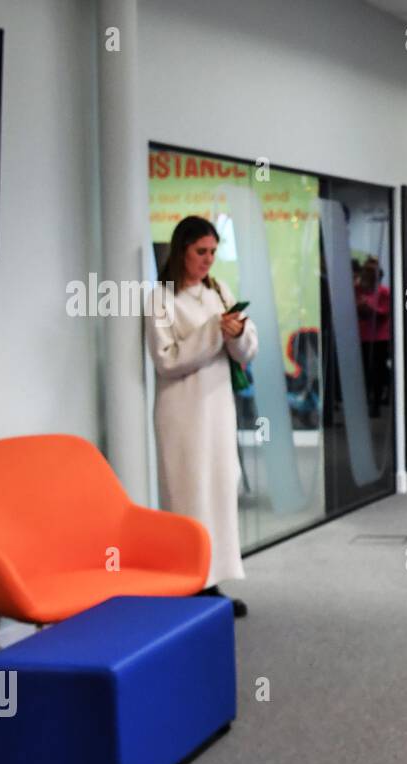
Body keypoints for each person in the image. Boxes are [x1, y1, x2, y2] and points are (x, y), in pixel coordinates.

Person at [147, 215, 259, 618]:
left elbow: (246, 352)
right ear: (182, 251)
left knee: (219, 488)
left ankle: (213, 580)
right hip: (181, 410)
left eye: (213, 251)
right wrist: (214, 330)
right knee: (188, 492)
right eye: (201, 252)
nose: (209, 259)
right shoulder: (160, 297)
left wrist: (236, 334)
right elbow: (166, 360)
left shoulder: (219, 290)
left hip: (218, 407)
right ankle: (188, 582)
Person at [356, 256, 392, 418]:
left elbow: (384, 313)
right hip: (362, 336)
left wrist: (369, 307)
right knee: (363, 371)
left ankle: (376, 402)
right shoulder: (357, 290)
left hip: (379, 337)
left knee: (377, 370)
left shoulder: (384, 292)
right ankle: (364, 402)